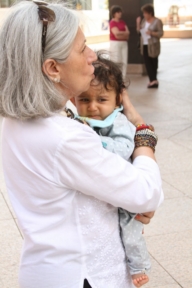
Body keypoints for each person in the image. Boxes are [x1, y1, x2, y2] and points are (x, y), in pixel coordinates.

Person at [0, 2, 163, 288]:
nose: (92, 57)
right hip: (85, 275)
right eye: (82, 48)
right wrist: (143, 133)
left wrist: (119, 198)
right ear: (52, 67)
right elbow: (146, 194)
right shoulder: (64, 137)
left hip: (45, 269)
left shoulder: (18, 119)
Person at [71, 53, 154, 287]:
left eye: (102, 99)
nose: (92, 107)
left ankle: (139, 266)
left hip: (126, 190)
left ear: (118, 101)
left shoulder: (118, 122)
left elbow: (124, 147)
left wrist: (96, 143)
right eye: (84, 99)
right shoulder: (78, 122)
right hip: (107, 193)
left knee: (131, 232)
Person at [136, 4, 164, 88]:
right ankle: (152, 80)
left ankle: (154, 79)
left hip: (153, 45)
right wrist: (138, 24)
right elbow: (139, 31)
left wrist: (151, 33)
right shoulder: (144, 20)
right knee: (147, 63)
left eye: (145, 13)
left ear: (150, 13)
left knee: (153, 62)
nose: (144, 15)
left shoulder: (157, 21)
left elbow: (161, 33)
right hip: (144, 44)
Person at [109, 5, 130, 79]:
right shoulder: (112, 22)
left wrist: (121, 34)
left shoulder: (123, 22)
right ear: (114, 13)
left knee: (124, 61)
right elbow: (116, 34)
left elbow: (128, 33)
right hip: (115, 43)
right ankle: (116, 79)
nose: (120, 13)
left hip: (124, 43)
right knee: (116, 60)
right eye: (118, 12)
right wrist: (123, 33)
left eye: (120, 12)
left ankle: (122, 79)